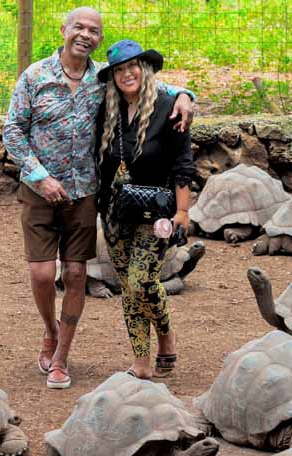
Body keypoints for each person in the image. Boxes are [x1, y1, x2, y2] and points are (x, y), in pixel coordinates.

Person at [2, 7, 195, 389]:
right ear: (63, 30)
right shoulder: (36, 75)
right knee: (43, 273)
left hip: (85, 193)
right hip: (42, 189)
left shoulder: (99, 80)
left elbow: (156, 90)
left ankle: (62, 359)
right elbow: (12, 130)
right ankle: (49, 331)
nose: (85, 34)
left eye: (94, 30)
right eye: (79, 27)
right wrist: (40, 177)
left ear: (99, 39)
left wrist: (187, 95)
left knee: (78, 274)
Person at [95, 40, 195, 379]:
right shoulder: (106, 111)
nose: (127, 74)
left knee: (142, 282)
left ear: (145, 68)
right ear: (112, 78)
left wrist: (183, 212)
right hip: (114, 214)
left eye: (132, 66)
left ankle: (165, 334)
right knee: (129, 288)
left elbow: (183, 163)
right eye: (119, 70)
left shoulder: (170, 108)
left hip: (157, 211)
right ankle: (141, 360)